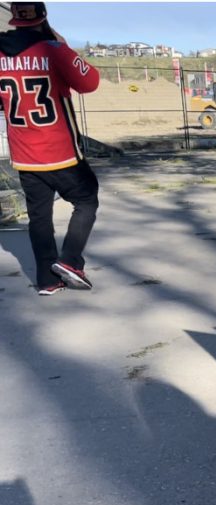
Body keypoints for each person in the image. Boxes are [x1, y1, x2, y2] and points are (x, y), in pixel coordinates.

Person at [0, 2, 100, 295]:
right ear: (42, 17)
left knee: (39, 217)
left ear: (15, 19)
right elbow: (90, 82)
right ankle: (70, 261)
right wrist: (63, 46)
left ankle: (47, 280)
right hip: (60, 151)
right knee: (87, 200)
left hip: (24, 155)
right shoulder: (53, 49)